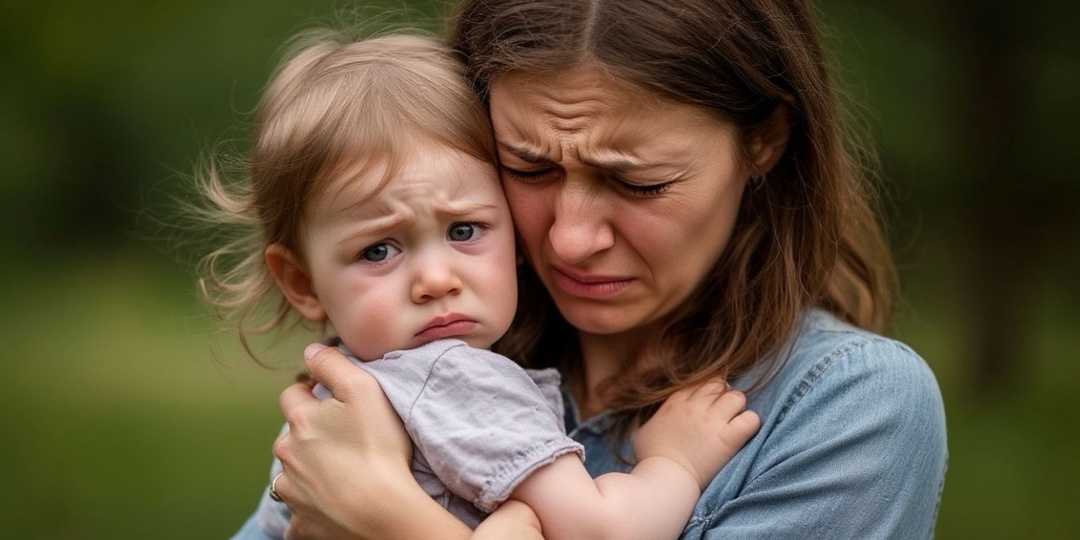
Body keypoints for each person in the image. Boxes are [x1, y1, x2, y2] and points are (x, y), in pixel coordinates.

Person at [260, 0, 949, 539]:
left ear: (765, 140)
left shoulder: (845, 405)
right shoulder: (444, 362)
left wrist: (398, 525)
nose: (570, 238)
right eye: (528, 167)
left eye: (638, 183)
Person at [202, 28, 760, 540]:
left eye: (464, 230)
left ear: (514, 231)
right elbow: (602, 532)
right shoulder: (458, 379)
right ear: (301, 282)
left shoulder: (329, 416)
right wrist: (675, 464)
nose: (436, 280)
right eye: (378, 250)